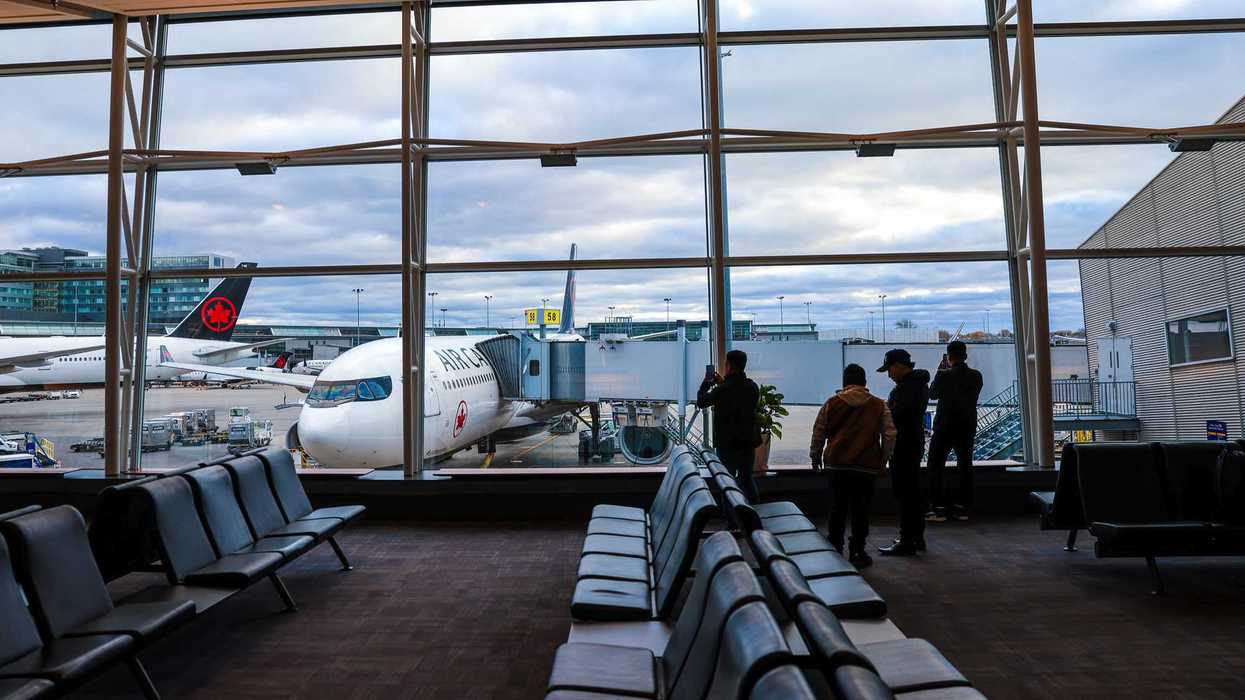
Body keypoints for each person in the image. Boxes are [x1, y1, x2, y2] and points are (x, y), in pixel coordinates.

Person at [810, 364, 896, 568]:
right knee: (861, 510)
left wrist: (815, 458)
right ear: (865, 382)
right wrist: (883, 460)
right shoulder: (879, 405)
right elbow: (890, 435)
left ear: (844, 382)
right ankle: (858, 551)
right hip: (865, 467)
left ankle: (835, 548)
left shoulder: (831, 403)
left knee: (836, 509)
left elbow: (819, 432)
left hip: (836, 465)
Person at [876, 349, 930, 556]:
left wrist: (884, 408)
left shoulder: (905, 389)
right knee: (913, 492)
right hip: (914, 443)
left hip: (904, 446)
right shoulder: (920, 385)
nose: (889, 375)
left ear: (898, 365)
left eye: (889, 370)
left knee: (905, 494)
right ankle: (916, 537)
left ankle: (906, 540)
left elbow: (896, 418)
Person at [926, 340, 984, 522]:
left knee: (935, 467)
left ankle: (938, 507)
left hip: (944, 427)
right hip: (967, 426)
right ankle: (963, 508)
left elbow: (932, 394)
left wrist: (939, 372)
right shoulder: (976, 376)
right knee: (965, 467)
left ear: (949, 357)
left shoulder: (944, 376)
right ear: (965, 356)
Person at [696, 349, 762, 503]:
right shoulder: (752, 387)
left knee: (728, 484)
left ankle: (732, 521)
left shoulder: (722, 390)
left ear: (728, 365)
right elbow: (736, 392)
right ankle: (755, 516)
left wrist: (706, 383)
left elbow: (701, 401)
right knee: (747, 480)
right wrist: (722, 383)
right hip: (747, 443)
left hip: (727, 445)